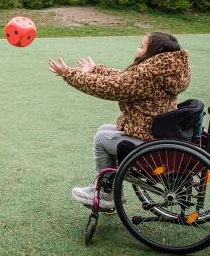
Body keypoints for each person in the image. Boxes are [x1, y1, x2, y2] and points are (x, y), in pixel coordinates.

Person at [48, 32, 191, 209]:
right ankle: (111, 190)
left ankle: (106, 194)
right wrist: (96, 70)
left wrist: (69, 74)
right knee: (104, 129)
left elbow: (112, 87)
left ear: (154, 51)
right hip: (155, 132)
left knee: (101, 139)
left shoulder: (148, 74)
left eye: (142, 46)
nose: (138, 49)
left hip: (148, 139)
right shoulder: (165, 70)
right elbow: (124, 79)